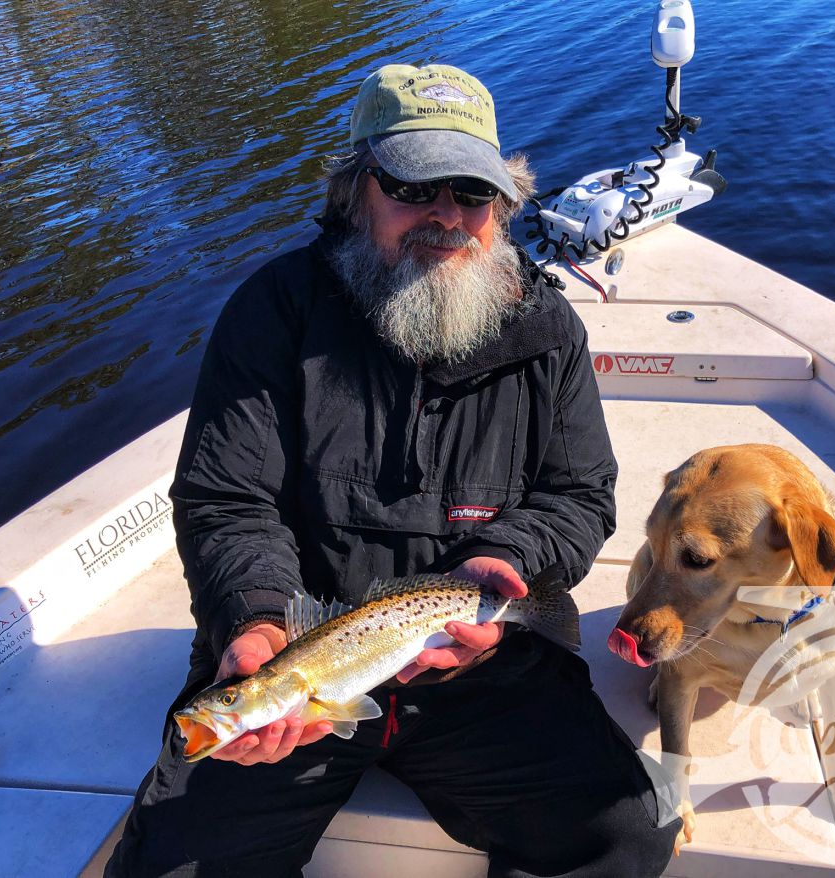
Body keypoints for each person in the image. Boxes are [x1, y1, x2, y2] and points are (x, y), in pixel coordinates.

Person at [106, 63, 681, 877]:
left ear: (502, 208)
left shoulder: (548, 329)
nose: (446, 216)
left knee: (630, 833)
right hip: (291, 661)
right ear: (355, 192)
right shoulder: (274, 310)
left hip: (482, 673)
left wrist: (514, 564)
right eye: (414, 187)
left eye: (471, 193)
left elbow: (578, 495)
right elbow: (226, 500)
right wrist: (256, 619)